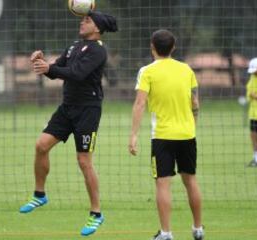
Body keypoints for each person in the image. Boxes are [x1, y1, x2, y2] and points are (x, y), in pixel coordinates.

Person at [19, 11, 118, 236]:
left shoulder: (98, 51)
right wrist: (41, 63)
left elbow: (77, 73)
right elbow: (56, 72)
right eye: (82, 19)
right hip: (67, 108)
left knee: (84, 161)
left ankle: (96, 214)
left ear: (97, 28)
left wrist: (50, 68)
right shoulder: (74, 46)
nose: (82, 22)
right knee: (41, 146)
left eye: (87, 20)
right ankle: (40, 195)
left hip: (88, 111)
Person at [128, 29, 204, 240]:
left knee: (163, 183)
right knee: (191, 181)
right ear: (174, 47)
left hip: (162, 137)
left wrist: (133, 135)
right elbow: (195, 102)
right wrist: (192, 126)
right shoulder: (187, 69)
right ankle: (198, 229)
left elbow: (140, 103)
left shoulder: (147, 71)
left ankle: (166, 233)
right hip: (187, 135)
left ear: (152, 47)